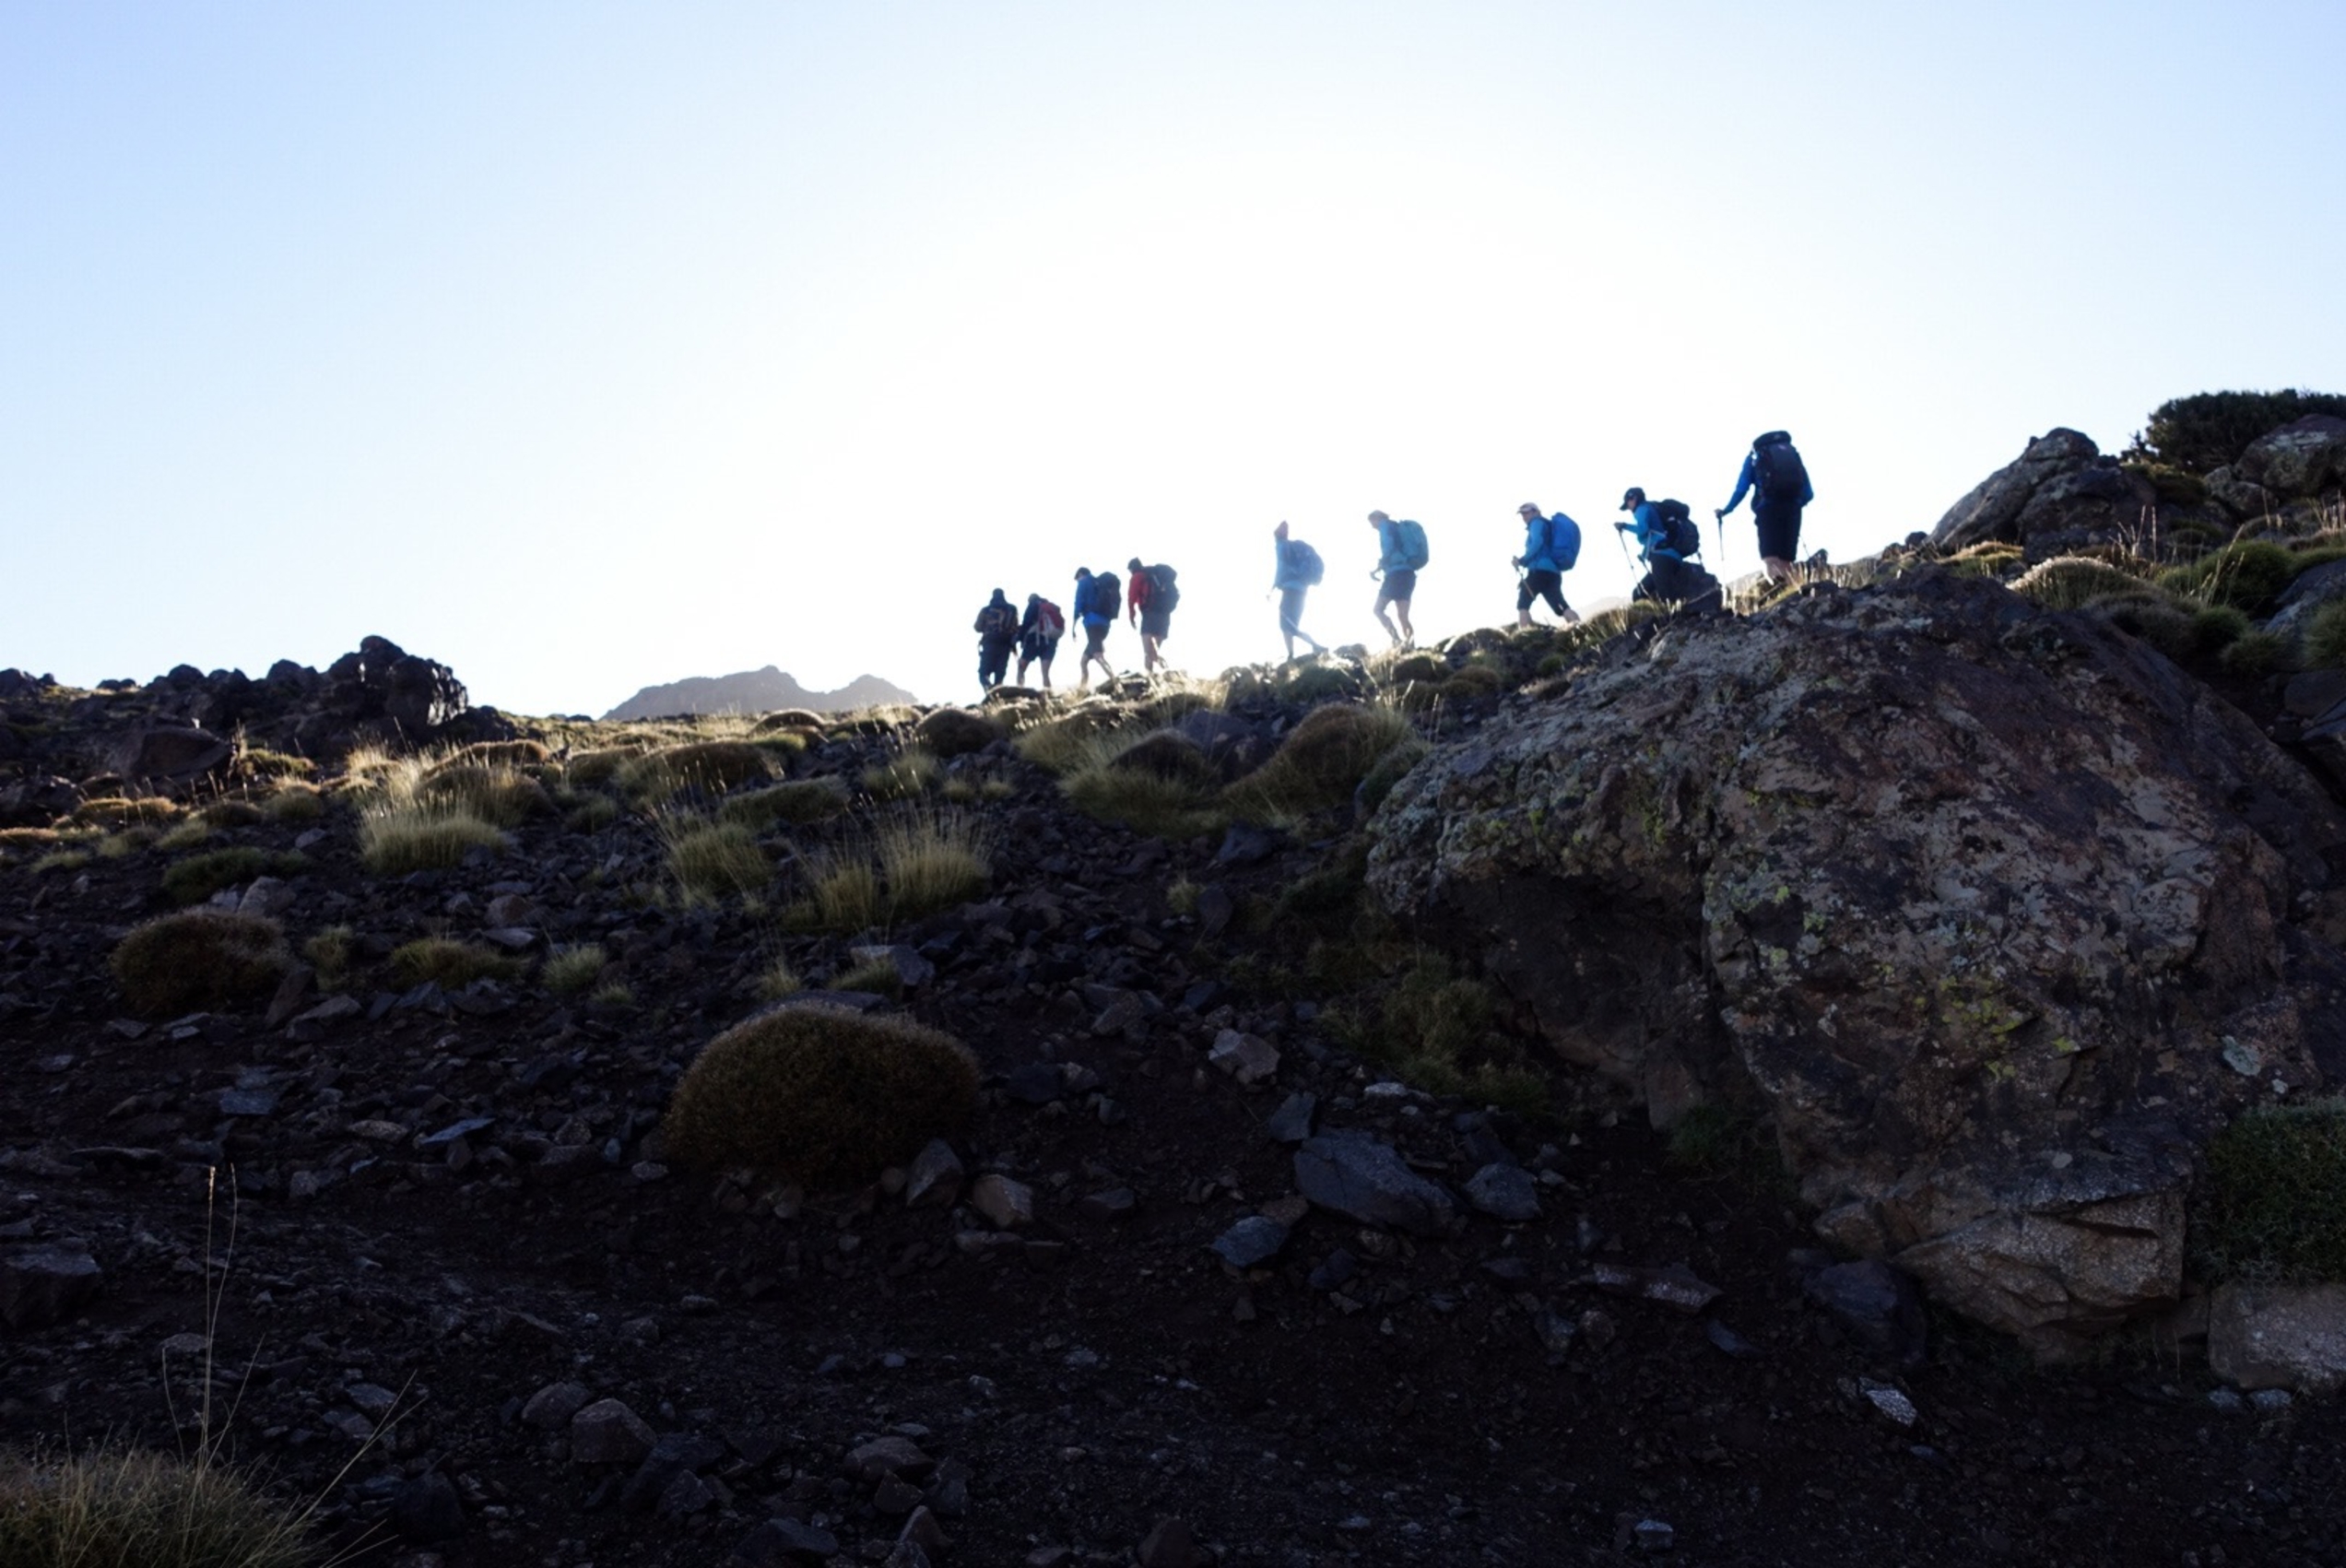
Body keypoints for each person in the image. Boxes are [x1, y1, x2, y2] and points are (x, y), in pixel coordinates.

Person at [1715, 430, 1813, 584]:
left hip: (1767, 509)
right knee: (1786, 559)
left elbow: (1742, 489)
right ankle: (1790, 588)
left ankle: (1776, 587)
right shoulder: (1793, 455)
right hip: (1793, 508)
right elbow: (1808, 492)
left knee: (1770, 557)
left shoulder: (1755, 457)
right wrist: (1797, 504)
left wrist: (1727, 510)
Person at [1616, 488, 1717, 607]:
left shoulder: (1641, 509)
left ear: (1634, 498)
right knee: (1638, 594)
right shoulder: (1651, 507)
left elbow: (1643, 529)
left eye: (1628, 504)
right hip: (1671, 555)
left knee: (1666, 597)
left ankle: (1678, 618)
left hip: (1661, 556)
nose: (1628, 508)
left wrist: (1624, 526)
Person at [1512, 502, 1582, 630]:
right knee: (1561, 606)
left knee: (1523, 603)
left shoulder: (1536, 523)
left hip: (1539, 572)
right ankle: (1582, 629)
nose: (1524, 517)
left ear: (1535, 512)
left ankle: (1524, 636)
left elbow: (1537, 542)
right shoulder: (1547, 525)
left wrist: (1522, 560)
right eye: (1522, 514)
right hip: (1553, 573)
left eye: (1526, 513)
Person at [1271, 522, 1326, 660]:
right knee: (1290, 625)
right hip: (1302, 590)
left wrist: (1274, 586)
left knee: (1287, 625)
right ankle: (1292, 654)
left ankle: (1313, 646)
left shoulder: (1281, 546)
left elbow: (1281, 568)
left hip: (1290, 590)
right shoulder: (1294, 547)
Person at [1367, 511, 1421, 647]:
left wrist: (1379, 566)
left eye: (1372, 522)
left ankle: (1396, 639)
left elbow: (1389, 548)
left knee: (1378, 610)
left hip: (1395, 575)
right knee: (1403, 616)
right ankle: (1411, 646)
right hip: (1408, 574)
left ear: (1377, 518)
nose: (1372, 527)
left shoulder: (1385, 527)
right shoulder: (1396, 527)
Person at [1126, 557, 1178, 675]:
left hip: (1149, 615)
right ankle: (1167, 672)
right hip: (1164, 615)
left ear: (1132, 568)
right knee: (1154, 652)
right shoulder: (1155, 575)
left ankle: (1150, 678)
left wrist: (1131, 616)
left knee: (1148, 652)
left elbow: (1131, 598)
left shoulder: (1137, 576)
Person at [1075, 565, 1121, 690]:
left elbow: (1078, 604)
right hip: (1104, 624)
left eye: (1077, 578)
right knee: (1083, 661)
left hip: (1092, 624)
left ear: (1081, 574)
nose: (1077, 581)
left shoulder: (1084, 582)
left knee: (1098, 656)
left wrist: (1073, 626)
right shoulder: (1099, 583)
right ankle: (1082, 689)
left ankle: (1116, 683)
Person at [973, 588, 1019, 693]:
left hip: (989, 644)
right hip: (1005, 645)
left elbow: (977, 627)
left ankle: (990, 692)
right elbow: (1015, 628)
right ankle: (997, 694)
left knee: (983, 673)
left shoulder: (986, 610)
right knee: (1000, 674)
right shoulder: (1012, 609)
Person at [1016, 592, 1065, 690]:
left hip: (1034, 641)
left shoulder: (1033, 605)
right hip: (1051, 642)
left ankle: (1019, 690)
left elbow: (1027, 623)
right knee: (1045, 673)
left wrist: (1019, 638)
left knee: (1021, 668)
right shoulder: (1052, 607)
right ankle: (1049, 694)